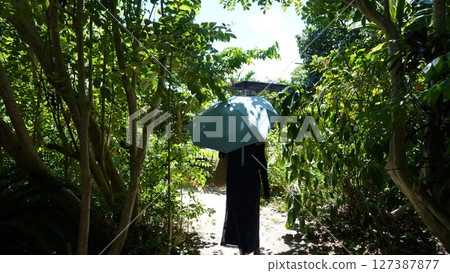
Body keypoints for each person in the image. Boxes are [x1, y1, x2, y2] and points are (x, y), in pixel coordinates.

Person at [220, 142, 270, 255]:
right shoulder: (230, 134)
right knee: (236, 215)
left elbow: (261, 160)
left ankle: (255, 246)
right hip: (234, 179)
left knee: (252, 215)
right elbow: (222, 154)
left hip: (251, 179)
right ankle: (242, 249)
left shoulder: (256, 133)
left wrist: (266, 188)